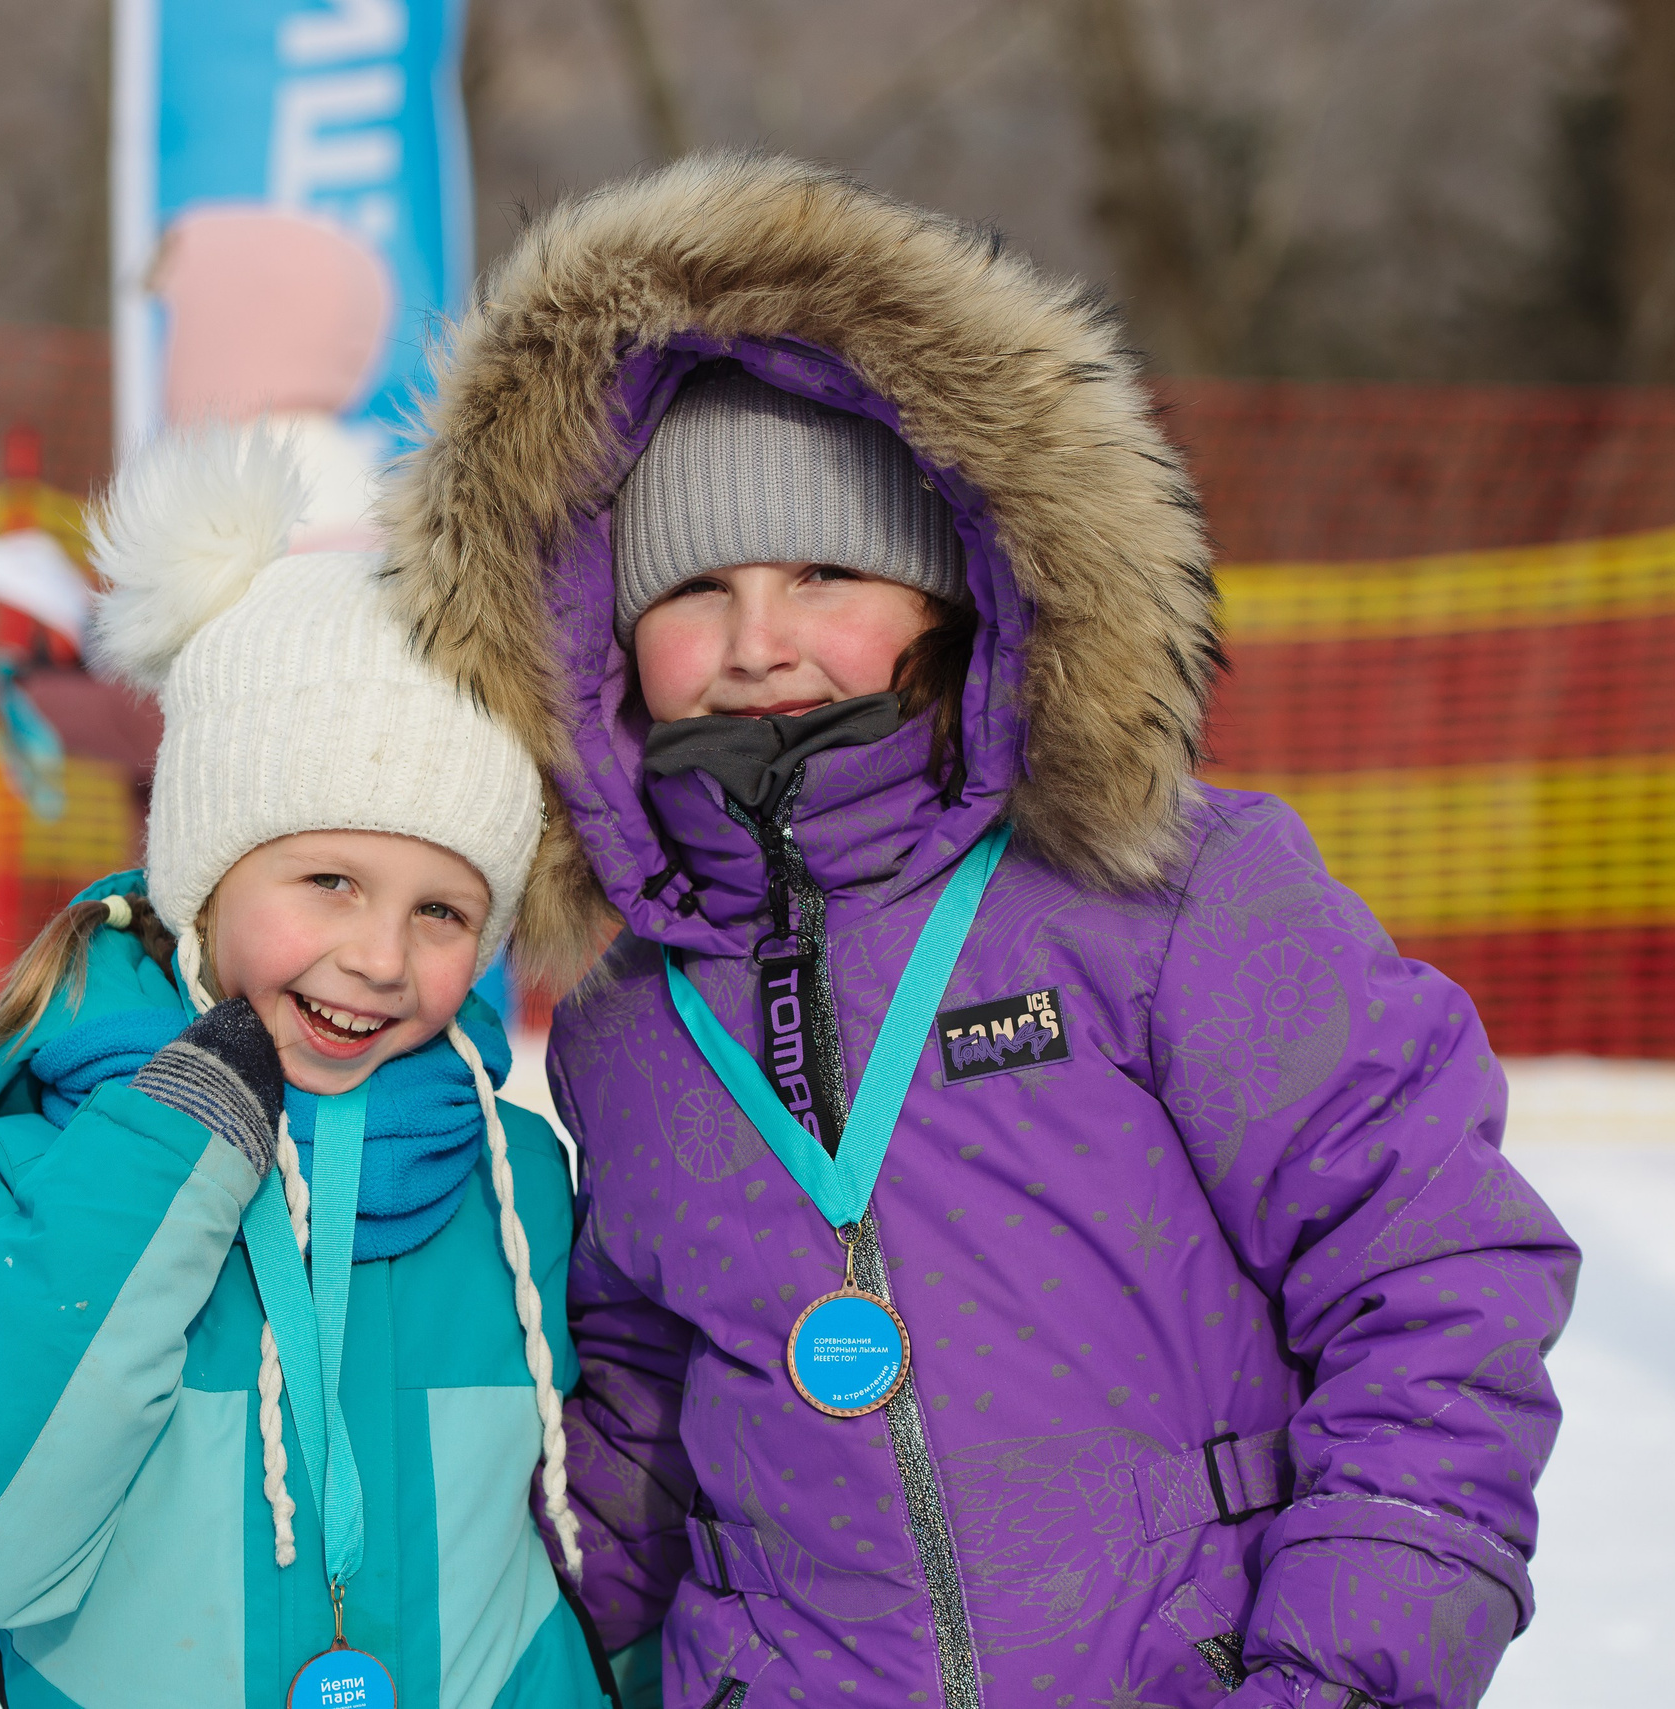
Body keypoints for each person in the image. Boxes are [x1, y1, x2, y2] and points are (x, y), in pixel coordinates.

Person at [379, 155, 1579, 1709]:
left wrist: (1337, 1668)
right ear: (608, 644)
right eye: (697, 590)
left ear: (944, 585)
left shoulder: (1166, 889)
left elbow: (1429, 1270)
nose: (758, 644)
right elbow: (647, 1413)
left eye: (824, 572)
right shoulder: (629, 1010)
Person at [0, 427, 609, 1709]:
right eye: (328, 881)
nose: (378, 956)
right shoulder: (36, 1166)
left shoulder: (517, 1183)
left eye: (443, 911)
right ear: (204, 873)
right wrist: (173, 1147)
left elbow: (605, 1559)